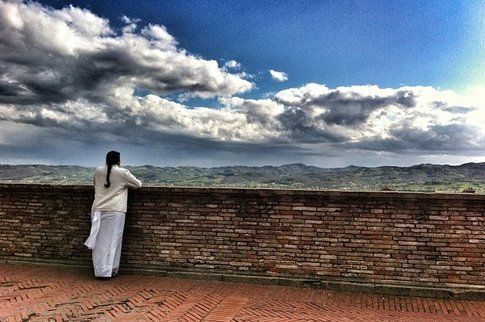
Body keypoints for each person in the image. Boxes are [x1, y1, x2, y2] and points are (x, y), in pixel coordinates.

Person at [84, 151, 142, 278]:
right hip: (115, 210)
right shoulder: (122, 172)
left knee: (99, 241)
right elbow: (138, 184)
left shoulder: (98, 170)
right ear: (118, 160)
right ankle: (109, 269)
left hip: (98, 209)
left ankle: (100, 269)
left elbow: (95, 184)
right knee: (113, 240)